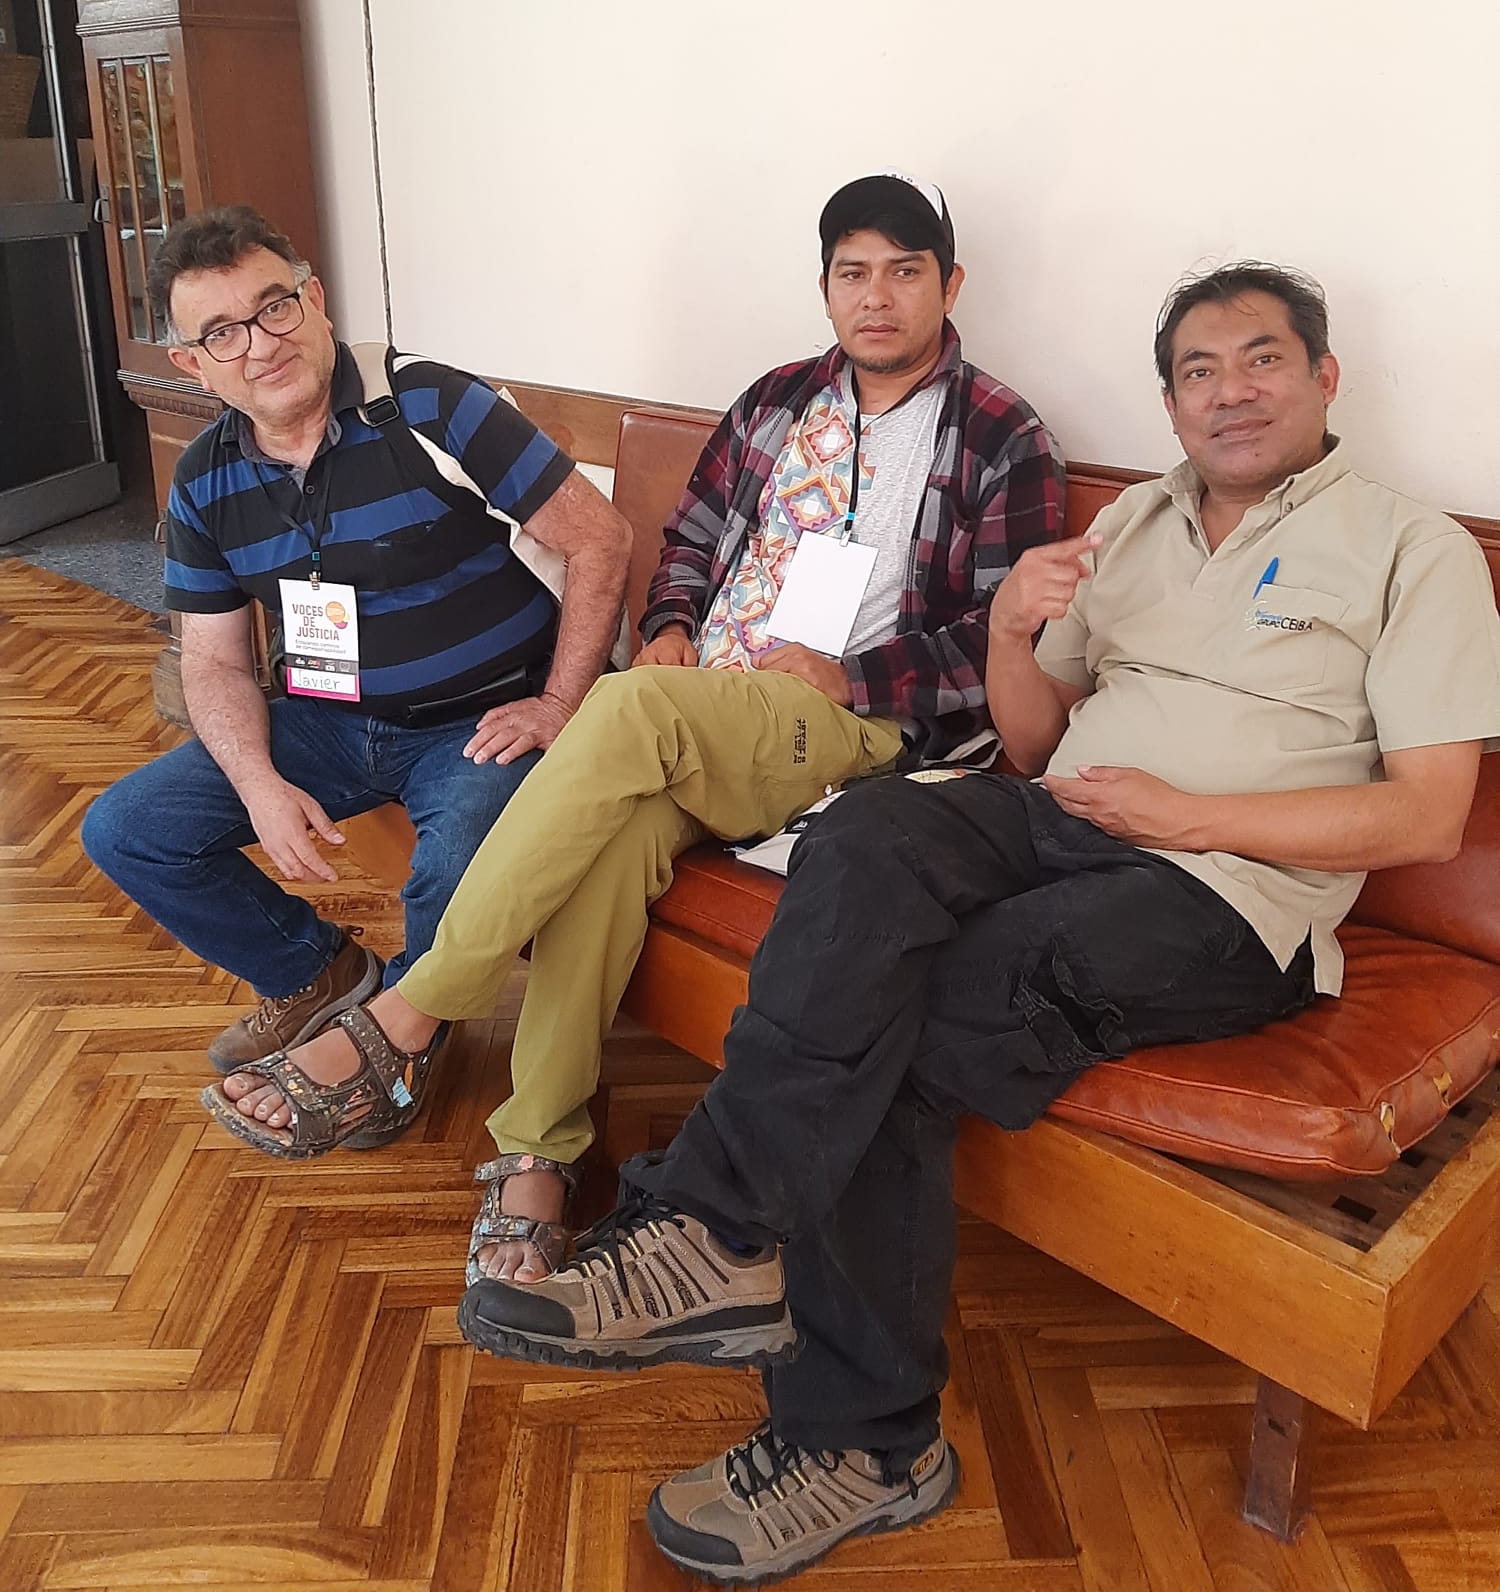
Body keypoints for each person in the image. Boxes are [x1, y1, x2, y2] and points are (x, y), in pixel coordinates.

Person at [453, 261, 1500, 1586]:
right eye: (1200, 370)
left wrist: (1186, 815)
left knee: (914, 1009)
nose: (1231, 391)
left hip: (1230, 895)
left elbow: (1426, 817)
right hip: (1064, 815)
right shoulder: (1136, 525)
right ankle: (719, 1233)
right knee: (865, 835)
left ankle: (865, 1439)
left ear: (1323, 375)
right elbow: (1034, 739)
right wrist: (1009, 629)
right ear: (1172, 402)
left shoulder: (1412, 548)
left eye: (1263, 360)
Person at [203, 171, 1065, 1293]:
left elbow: (1000, 639)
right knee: (612, 835)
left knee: (621, 706)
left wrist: (852, 672)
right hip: (705, 707)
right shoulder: (775, 401)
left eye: (905, 272)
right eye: (853, 273)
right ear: (824, 288)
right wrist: (666, 627)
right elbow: (694, 541)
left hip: (859, 726)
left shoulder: (999, 433)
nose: (877, 296)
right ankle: (540, 1153)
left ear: (950, 285)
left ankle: (407, 1013)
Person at [81, 203, 631, 1125]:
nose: (261, 344)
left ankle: (392, 1050)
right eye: (223, 332)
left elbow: (600, 539)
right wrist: (257, 782)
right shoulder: (206, 476)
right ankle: (319, 974)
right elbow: (213, 663)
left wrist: (560, 703)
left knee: (451, 865)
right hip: (326, 721)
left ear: (316, 300)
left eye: (275, 306)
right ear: (192, 365)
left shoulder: (429, 403)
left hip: (482, 718)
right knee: (127, 830)